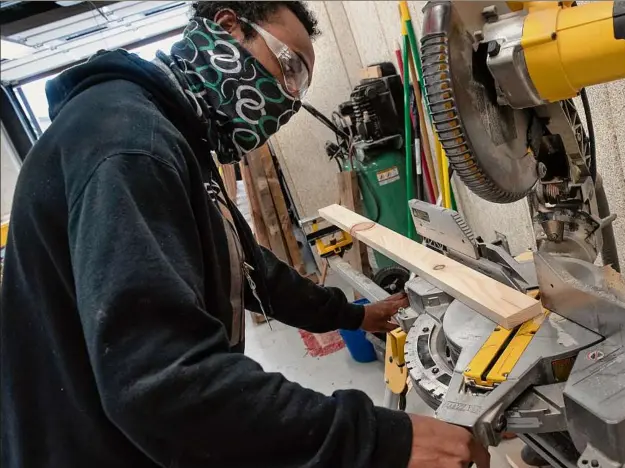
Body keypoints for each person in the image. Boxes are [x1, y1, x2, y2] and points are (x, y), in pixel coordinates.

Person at [0, 2, 490, 467]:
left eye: (300, 87)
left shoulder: (172, 133)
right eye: (289, 68)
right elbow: (164, 384)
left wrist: (353, 316)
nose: (289, 99)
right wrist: (380, 442)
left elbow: (249, 267)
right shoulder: (130, 145)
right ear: (228, 27)